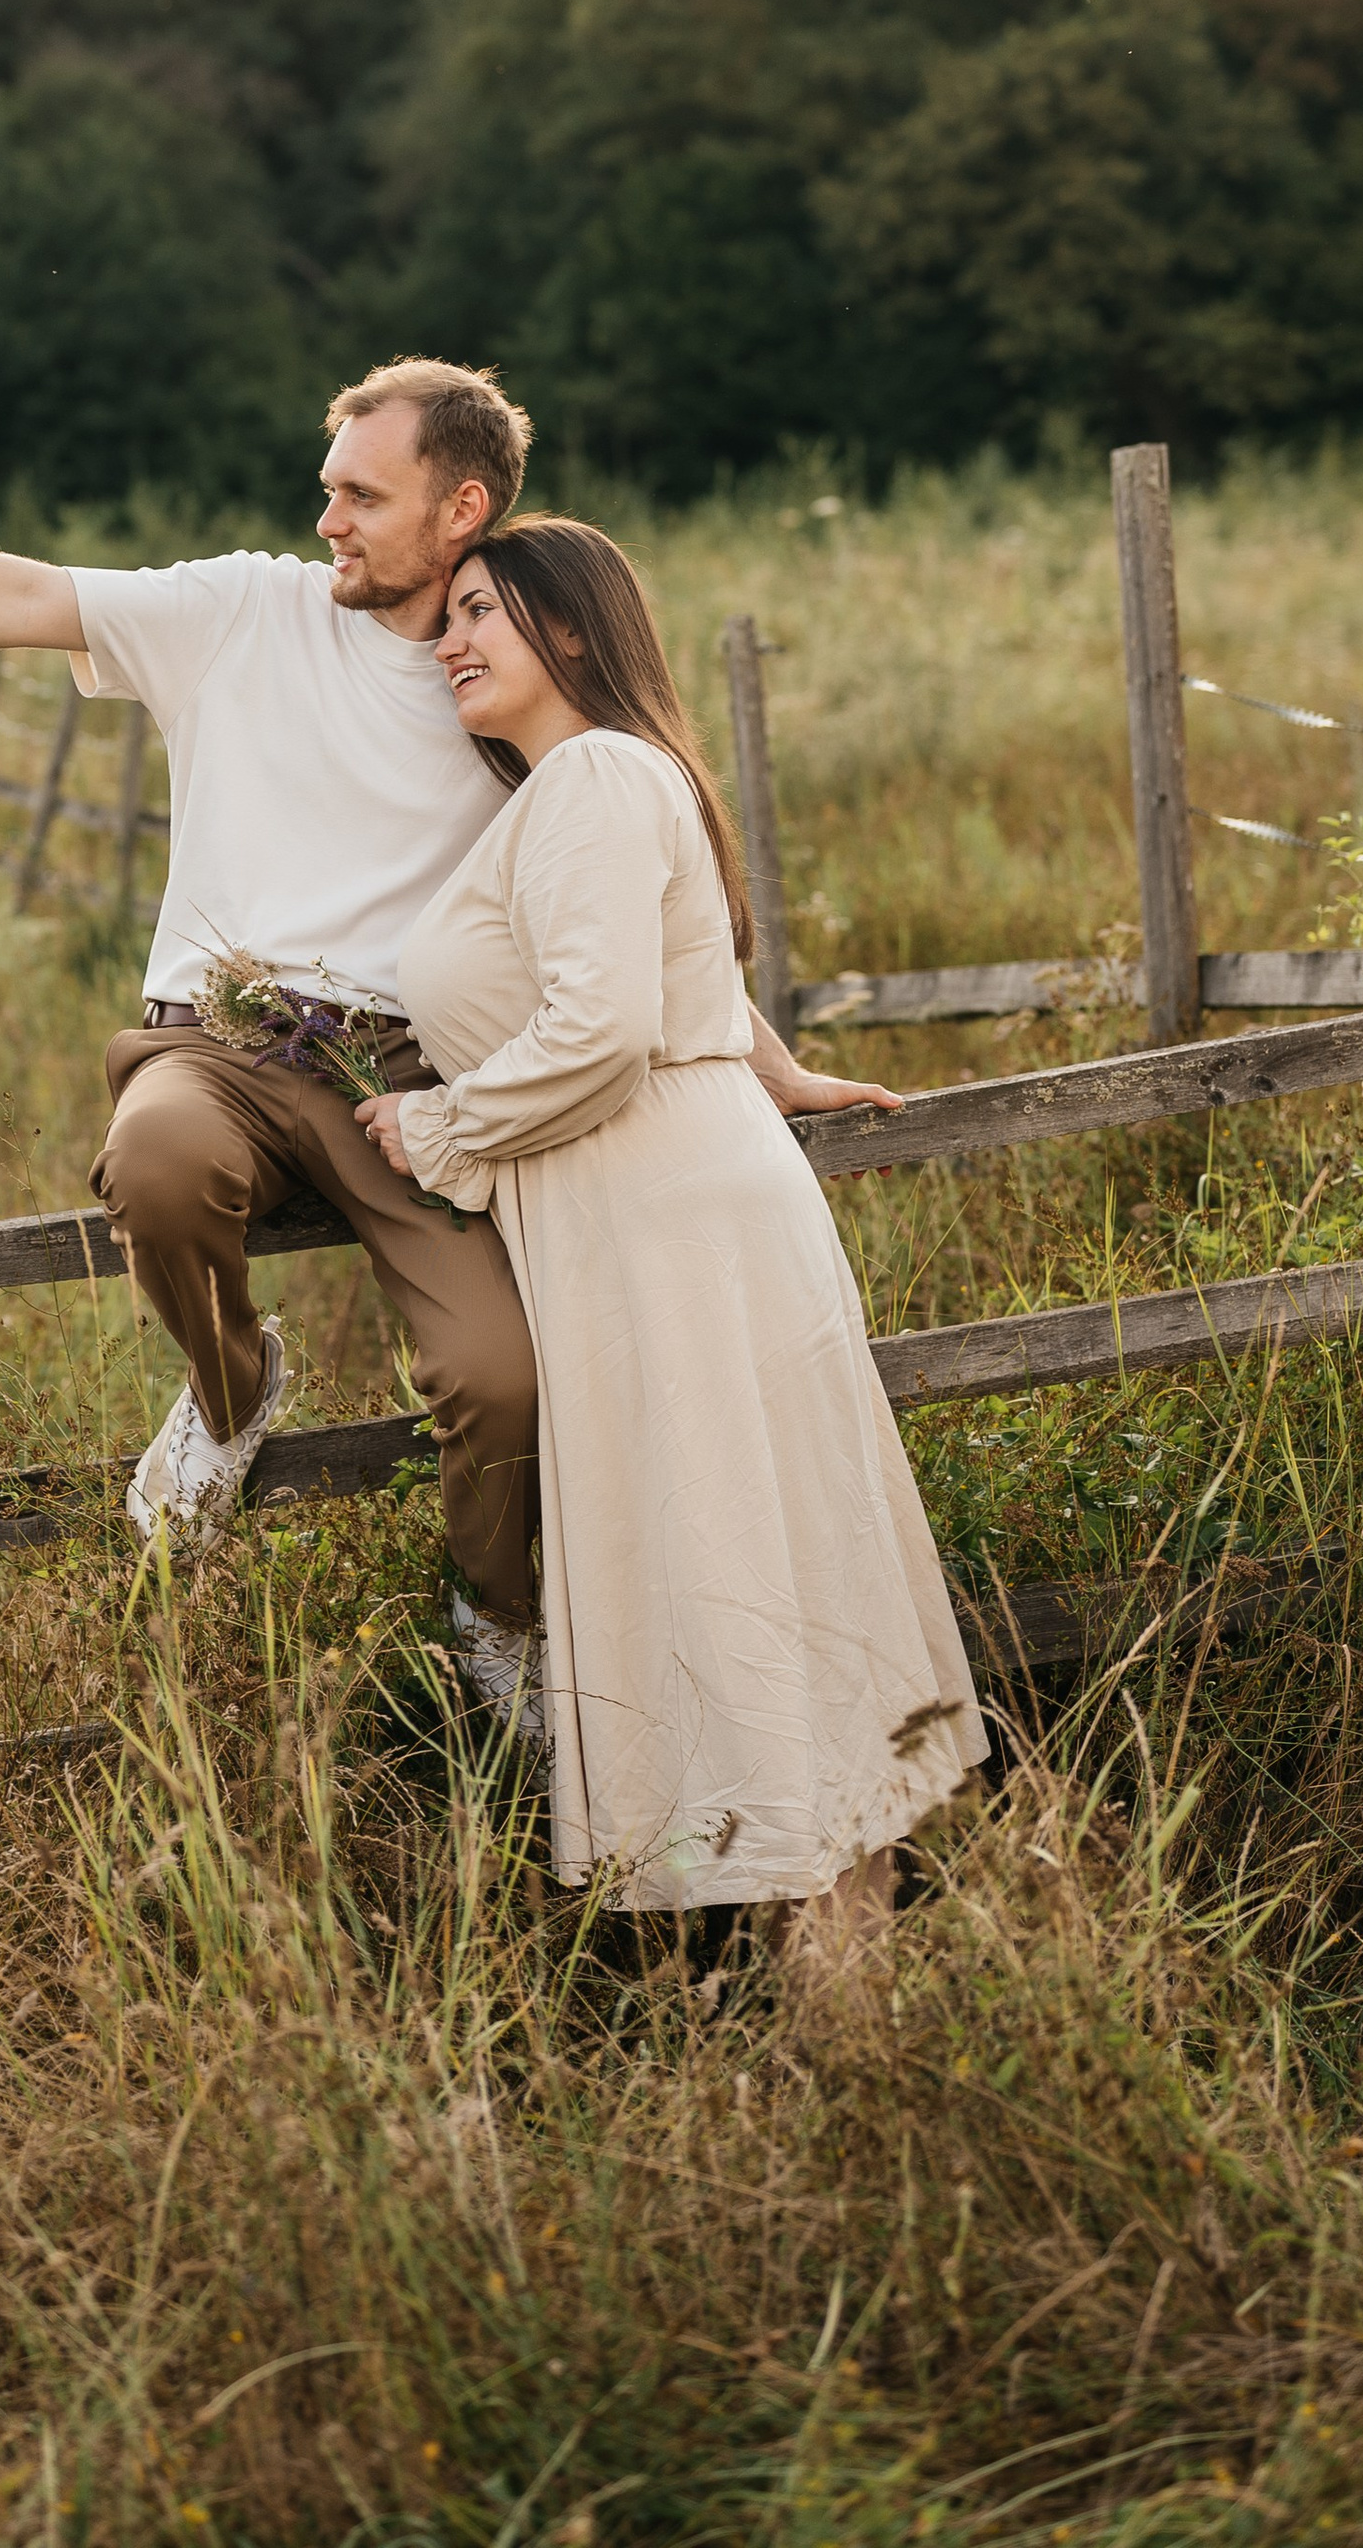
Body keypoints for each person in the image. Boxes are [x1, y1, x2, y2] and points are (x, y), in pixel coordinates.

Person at [0, 365, 895, 1724]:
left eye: (360, 495)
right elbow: (22, 592)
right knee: (157, 1164)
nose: (326, 519)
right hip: (219, 1043)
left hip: (411, 1081)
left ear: (461, 507)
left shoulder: (496, 679)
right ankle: (232, 1393)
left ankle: (500, 1618)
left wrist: (769, 1063)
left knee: (500, 1376)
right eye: (327, 489)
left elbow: (623, 913)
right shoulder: (247, 611)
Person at [356, 515, 984, 1959]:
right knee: (749, 1546)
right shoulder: (579, 788)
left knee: (741, 1550)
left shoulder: (591, 774)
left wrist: (439, 1127)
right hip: (650, 1200)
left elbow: (603, 1026)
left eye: (481, 612)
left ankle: (844, 1964)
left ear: (573, 631)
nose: (450, 641)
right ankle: (834, 1951)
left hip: (659, 1210)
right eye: (447, 619)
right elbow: (657, 965)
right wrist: (779, 1068)